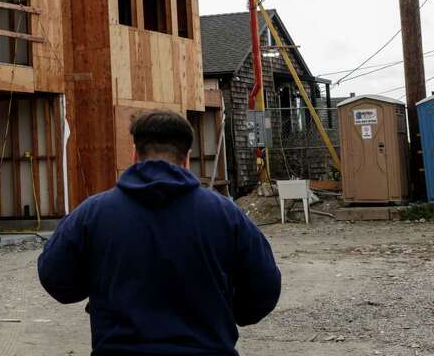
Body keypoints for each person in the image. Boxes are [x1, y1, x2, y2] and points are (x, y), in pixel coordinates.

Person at [37, 109, 281, 355]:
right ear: (187, 158)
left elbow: (55, 277)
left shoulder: (93, 213)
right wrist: (229, 311)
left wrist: (98, 287)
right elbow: (265, 287)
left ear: (134, 155)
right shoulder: (226, 215)